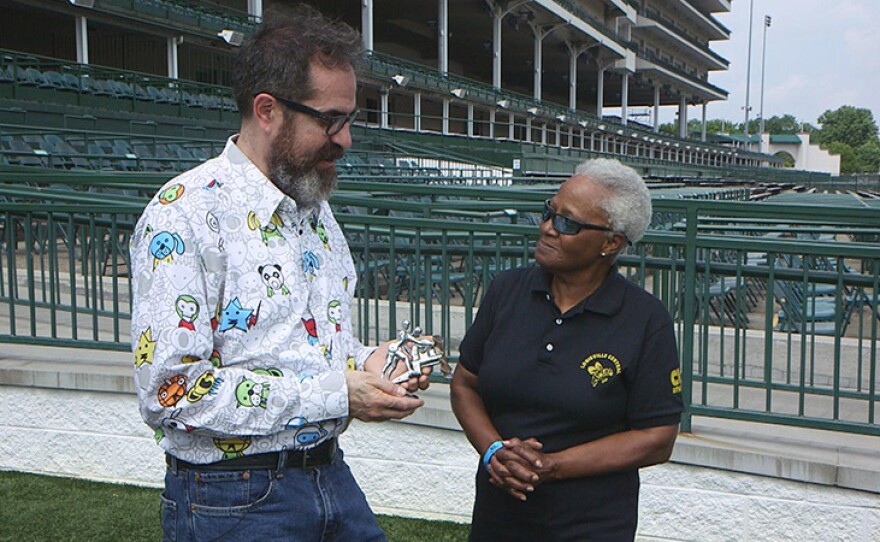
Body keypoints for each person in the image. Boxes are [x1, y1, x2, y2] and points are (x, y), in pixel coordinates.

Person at [129, 6, 429, 541]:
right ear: (267, 110)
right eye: (330, 120)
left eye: (348, 120)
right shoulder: (184, 214)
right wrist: (340, 393)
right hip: (230, 496)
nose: (345, 140)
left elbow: (297, 347)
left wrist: (369, 362)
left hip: (328, 473)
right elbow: (171, 392)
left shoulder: (313, 205)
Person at [450, 158, 683, 541]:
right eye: (549, 212)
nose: (547, 229)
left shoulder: (645, 319)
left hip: (591, 525)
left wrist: (552, 466)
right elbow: (465, 384)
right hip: (499, 516)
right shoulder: (506, 291)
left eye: (567, 224)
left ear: (611, 243)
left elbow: (657, 437)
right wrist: (494, 452)